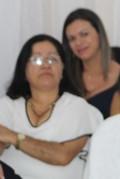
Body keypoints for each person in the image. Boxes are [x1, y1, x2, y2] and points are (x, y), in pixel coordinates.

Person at [0, 34, 103, 179]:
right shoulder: (7, 105)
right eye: (36, 59)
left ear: (63, 69)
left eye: (52, 59)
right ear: (24, 71)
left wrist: (13, 137)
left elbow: (62, 156)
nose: (45, 65)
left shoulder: (77, 106)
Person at [62, 8, 120, 119]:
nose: (78, 42)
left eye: (84, 34)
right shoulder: (65, 78)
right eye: (72, 39)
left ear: (99, 33)